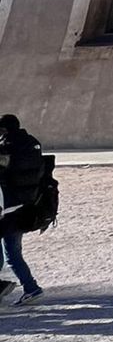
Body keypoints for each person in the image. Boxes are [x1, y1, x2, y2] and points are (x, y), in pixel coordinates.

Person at [0, 114, 45, 306]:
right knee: (13, 251)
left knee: (9, 253)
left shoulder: (7, 148)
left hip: (7, 207)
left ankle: (23, 287)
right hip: (27, 205)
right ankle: (30, 287)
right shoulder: (32, 144)